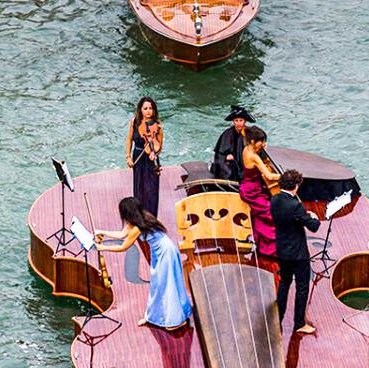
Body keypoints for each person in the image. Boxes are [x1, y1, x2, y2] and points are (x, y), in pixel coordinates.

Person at [95, 197, 192, 330]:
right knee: (158, 283)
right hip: (161, 250)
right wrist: (103, 232)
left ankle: (175, 320)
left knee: (165, 284)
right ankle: (153, 316)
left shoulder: (137, 227)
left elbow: (123, 246)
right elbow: (122, 235)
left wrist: (102, 248)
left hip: (165, 252)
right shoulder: (140, 218)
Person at [271, 170, 322, 335]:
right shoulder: (296, 205)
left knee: (284, 283)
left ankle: (277, 318)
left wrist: (301, 216)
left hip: (282, 250)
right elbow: (313, 226)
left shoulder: (275, 200)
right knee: (302, 287)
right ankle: (299, 323)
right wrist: (313, 216)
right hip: (298, 254)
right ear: (296, 185)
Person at [239, 126, 280, 259]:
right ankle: (271, 249)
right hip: (253, 191)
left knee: (260, 215)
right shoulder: (254, 157)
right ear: (252, 142)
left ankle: (262, 245)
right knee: (270, 213)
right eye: (260, 141)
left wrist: (262, 151)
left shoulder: (246, 150)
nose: (262, 144)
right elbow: (269, 176)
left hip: (248, 186)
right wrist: (285, 176)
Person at [127, 97, 162, 217]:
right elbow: (129, 139)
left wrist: (155, 153)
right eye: (145, 108)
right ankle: (139, 217)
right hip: (138, 156)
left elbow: (159, 146)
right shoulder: (134, 122)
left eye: (150, 108)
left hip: (151, 160)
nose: (148, 111)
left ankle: (151, 217)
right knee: (139, 187)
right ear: (140, 110)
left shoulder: (157, 126)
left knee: (151, 189)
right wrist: (128, 157)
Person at [211, 105, 254, 183]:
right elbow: (219, 153)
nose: (238, 123)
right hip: (231, 163)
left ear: (245, 121)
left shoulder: (250, 133)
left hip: (246, 161)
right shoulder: (227, 133)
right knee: (226, 169)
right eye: (236, 120)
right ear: (233, 121)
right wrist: (225, 156)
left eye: (241, 120)